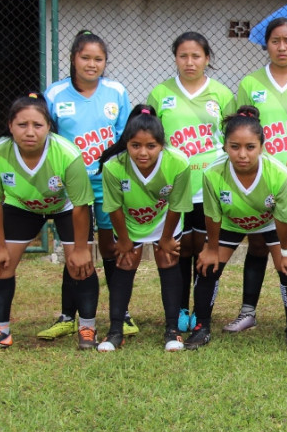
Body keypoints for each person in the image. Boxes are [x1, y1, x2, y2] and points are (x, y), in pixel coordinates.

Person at [0, 93, 96, 353]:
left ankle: (88, 327)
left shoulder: (67, 153)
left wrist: (82, 249)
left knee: (79, 266)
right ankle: (0, 331)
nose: (30, 132)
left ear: (49, 127)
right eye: (22, 125)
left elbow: (81, 204)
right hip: (21, 206)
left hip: (66, 206)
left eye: (37, 125)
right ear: (10, 126)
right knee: (0, 265)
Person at [229, 18, 287, 334]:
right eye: (275, 41)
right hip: (261, 182)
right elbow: (236, 132)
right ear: (266, 44)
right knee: (257, 248)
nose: (282, 47)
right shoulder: (250, 84)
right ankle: (248, 312)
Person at [43, 30, 139, 340]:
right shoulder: (55, 94)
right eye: (85, 57)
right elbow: (50, 140)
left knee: (112, 246)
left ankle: (119, 313)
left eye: (98, 59)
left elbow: (126, 139)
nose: (92, 64)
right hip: (73, 187)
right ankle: (67, 315)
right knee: (76, 248)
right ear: (73, 59)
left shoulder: (116, 91)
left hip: (108, 183)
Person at [193, 106, 287, 352]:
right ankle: (201, 327)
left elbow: (285, 217)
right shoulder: (213, 173)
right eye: (235, 147)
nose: (242, 154)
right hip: (232, 221)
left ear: (262, 147)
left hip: (271, 221)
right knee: (207, 267)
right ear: (225, 146)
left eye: (250, 147)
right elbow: (212, 215)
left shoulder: (278, 174)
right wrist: (211, 248)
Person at [147, 32, 236, 333]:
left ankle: (202, 311)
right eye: (183, 55)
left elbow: (233, 140)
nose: (189, 62)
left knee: (206, 247)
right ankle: (180, 308)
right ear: (175, 58)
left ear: (207, 59)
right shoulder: (161, 94)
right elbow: (151, 140)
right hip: (176, 187)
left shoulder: (222, 95)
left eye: (196, 56)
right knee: (180, 248)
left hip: (209, 186)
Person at [95, 106, 192, 352]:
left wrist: (167, 238)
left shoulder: (178, 162)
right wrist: (124, 241)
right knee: (125, 262)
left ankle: (172, 330)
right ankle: (115, 330)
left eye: (151, 146)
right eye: (135, 145)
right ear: (126, 143)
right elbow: (114, 207)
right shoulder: (113, 167)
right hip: (129, 221)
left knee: (168, 260)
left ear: (162, 145)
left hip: (164, 220)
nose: (143, 152)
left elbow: (177, 204)